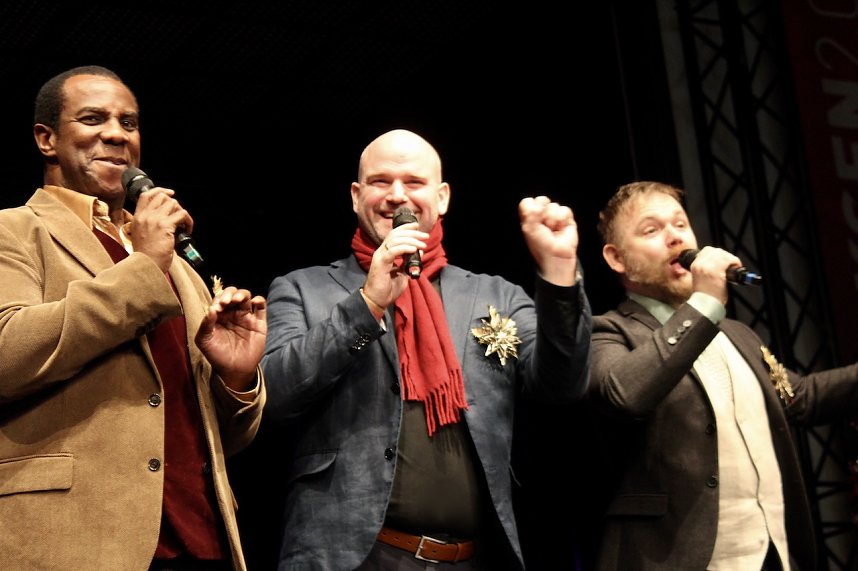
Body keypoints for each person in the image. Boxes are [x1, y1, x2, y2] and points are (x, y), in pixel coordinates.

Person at [260, 128, 591, 570]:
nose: (397, 196)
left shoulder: (496, 295)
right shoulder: (302, 289)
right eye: (380, 182)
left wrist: (559, 274)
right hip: (348, 555)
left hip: (474, 557)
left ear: (444, 196)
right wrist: (368, 303)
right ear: (356, 196)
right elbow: (275, 397)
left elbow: (562, 386)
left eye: (414, 183)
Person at [0, 65, 268, 570]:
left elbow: (216, 437)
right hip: (73, 542)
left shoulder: (177, 265)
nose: (116, 134)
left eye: (129, 122)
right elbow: (7, 355)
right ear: (46, 138)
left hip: (199, 538)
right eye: (94, 118)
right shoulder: (14, 232)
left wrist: (235, 378)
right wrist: (143, 266)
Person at [589, 180, 858, 570]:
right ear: (616, 258)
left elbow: (800, 397)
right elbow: (624, 393)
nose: (674, 238)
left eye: (680, 225)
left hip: (772, 553)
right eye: (652, 229)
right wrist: (705, 303)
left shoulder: (737, 334)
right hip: (680, 560)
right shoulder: (609, 331)